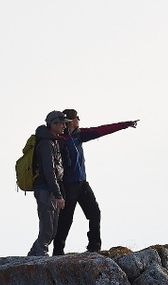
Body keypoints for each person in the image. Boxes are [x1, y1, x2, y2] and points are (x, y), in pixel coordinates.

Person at [51, 108, 139, 254]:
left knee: (95, 213)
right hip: (68, 185)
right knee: (66, 219)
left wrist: (126, 124)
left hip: (82, 183)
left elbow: (103, 130)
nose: (79, 119)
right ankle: (58, 251)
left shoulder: (80, 135)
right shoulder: (60, 140)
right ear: (72, 121)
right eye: (78, 117)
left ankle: (94, 247)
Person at [27, 111, 69, 256]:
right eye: (62, 123)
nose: (64, 126)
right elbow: (49, 171)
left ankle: (33, 255)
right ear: (53, 124)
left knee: (52, 230)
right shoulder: (46, 143)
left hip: (50, 189)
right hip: (45, 189)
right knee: (47, 228)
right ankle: (41, 256)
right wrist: (58, 195)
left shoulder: (53, 140)